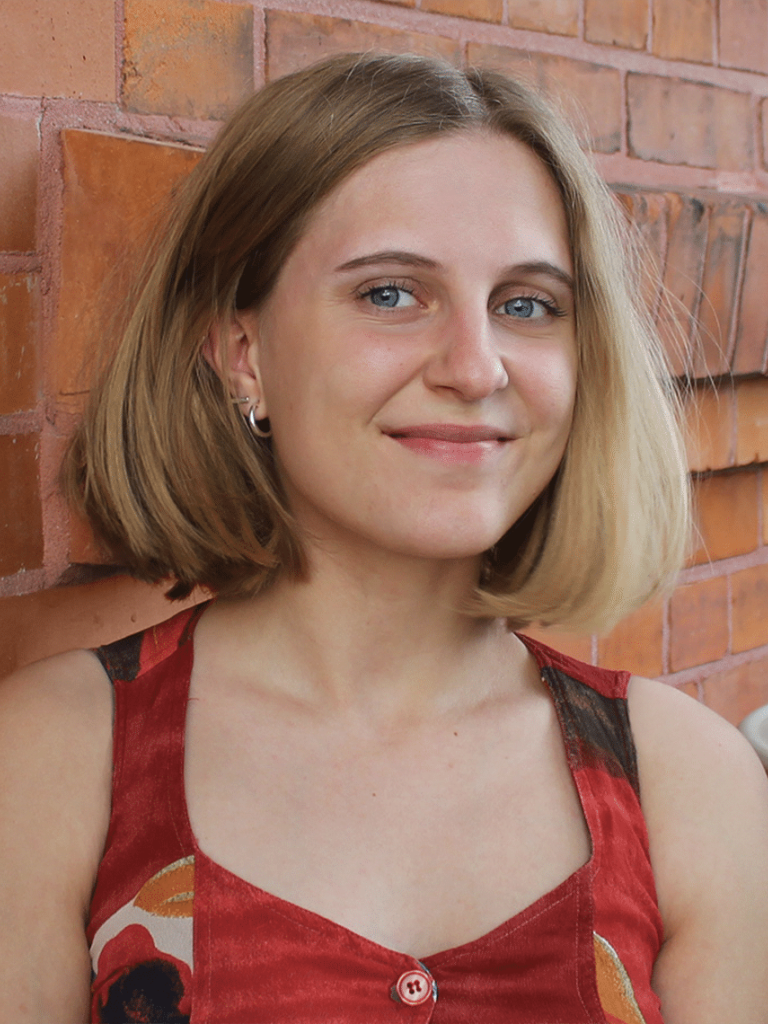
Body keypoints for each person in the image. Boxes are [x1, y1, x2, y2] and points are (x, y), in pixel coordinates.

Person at [1, 51, 767, 1024]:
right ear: (242, 355)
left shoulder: (690, 785)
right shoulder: (53, 758)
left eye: (526, 304)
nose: (476, 367)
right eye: (391, 294)